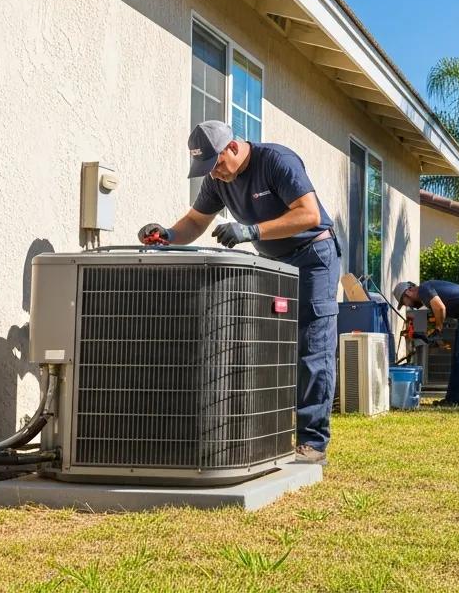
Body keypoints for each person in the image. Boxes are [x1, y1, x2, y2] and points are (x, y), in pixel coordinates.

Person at [138, 120, 340, 465]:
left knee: (312, 345)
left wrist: (252, 230)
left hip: (313, 258)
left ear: (232, 147)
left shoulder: (276, 161)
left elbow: (308, 215)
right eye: (207, 168)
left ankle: (313, 442)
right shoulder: (217, 180)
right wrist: (167, 236)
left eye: (216, 163)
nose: (214, 174)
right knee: (269, 346)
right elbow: (195, 221)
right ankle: (270, 432)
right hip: (274, 263)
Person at [393, 279, 459, 406]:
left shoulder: (424, 289)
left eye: (404, 302)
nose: (407, 306)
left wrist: (438, 328)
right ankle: (452, 399)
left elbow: (440, 307)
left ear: (409, 292)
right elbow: (440, 309)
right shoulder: (427, 292)